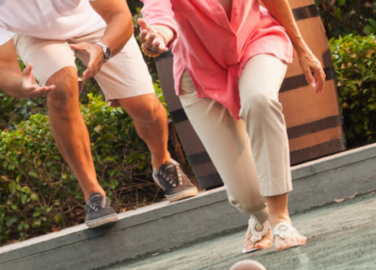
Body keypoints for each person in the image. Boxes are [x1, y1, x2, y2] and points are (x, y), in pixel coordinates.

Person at [0, 0, 199, 229]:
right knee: (61, 85)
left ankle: (162, 162)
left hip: (97, 22)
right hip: (35, 36)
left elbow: (120, 16)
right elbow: (3, 68)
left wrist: (103, 49)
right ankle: (93, 193)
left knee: (145, 107)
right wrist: (21, 85)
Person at [139, 0, 324, 253]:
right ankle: (260, 219)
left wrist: (302, 48)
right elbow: (158, 12)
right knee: (247, 198)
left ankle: (280, 218)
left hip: (256, 39)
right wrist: (158, 33)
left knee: (259, 99)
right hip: (198, 69)